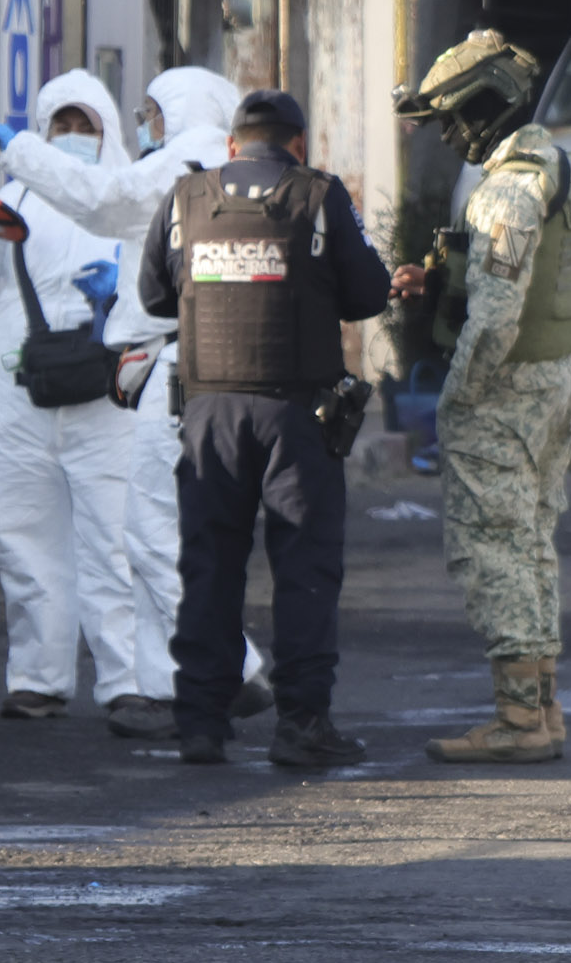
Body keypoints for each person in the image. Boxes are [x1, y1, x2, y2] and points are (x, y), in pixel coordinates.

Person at [0, 66, 272, 739]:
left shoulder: (192, 157)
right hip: (189, 366)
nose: (147, 124)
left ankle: (227, 670)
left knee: (154, 537)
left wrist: (22, 152)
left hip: (183, 370)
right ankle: (170, 687)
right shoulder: (226, 164)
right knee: (163, 536)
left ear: (181, 110)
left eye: (153, 110)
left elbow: (105, 200)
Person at [139, 87, 393, 768]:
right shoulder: (318, 195)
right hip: (296, 415)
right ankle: (302, 724)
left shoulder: (186, 197)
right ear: (297, 144)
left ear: (232, 144)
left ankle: (200, 723)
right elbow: (370, 291)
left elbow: (154, 296)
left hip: (208, 412)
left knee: (209, 567)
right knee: (304, 569)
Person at [390, 31, 571, 765]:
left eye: (451, 118)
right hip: (554, 379)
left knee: (494, 550)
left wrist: (458, 396)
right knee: (533, 542)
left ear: (487, 106)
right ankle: (541, 707)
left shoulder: (509, 189)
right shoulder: (556, 164)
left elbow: (498, 313)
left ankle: (518, 720)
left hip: (505, 388)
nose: (448, 135)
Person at [0, 69, 148, 723]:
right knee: (23, 532)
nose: (76, 137)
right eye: (64, 125)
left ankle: (129, 677)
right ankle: (38, 676)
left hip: (107, 391)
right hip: (21, 385)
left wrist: (127, 287)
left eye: (87, 125)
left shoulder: (129, 198)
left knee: (116, 535)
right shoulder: (17, 198)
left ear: (108, 130)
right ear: (44, 129)